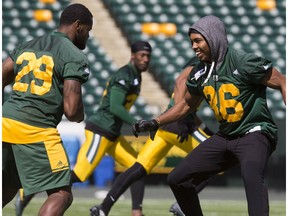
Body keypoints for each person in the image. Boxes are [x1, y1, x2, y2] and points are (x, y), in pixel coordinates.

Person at [132, 15, 286, 216]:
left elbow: (283, 81)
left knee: (251, 175)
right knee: (177, 178)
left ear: (213, 38)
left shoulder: (243, 62)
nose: (193, 47)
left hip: (255, 132)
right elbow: (186, 105)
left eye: (198, 41)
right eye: (191, 42)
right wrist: (156, 121)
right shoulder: (199, 73)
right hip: (226, 136)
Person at [89, 57, 215, 216]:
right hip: (178, 127)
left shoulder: (198, 72)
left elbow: (189, 109)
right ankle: (183, 204)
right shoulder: (195, 70)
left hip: (165, 126)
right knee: (215, 159)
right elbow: (181, 85)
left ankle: (103, 208)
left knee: (138, 167)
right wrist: (183, 121)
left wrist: (205, 128)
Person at [2, 3, 93, 216]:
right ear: (78, 26)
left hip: (6, 122)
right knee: (62, 193)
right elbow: (71, 110)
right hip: (36, 129)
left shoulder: (28, 44)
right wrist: (80, 114)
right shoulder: (73, 55)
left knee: (7, 186)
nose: (88, 37)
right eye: (88, 31)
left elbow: (3, 74)